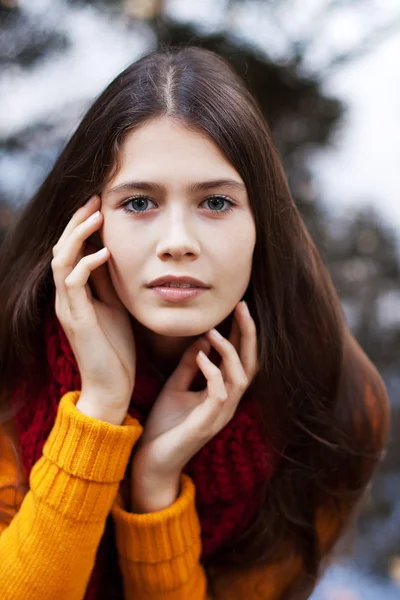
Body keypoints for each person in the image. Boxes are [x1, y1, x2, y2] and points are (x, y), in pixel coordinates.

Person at [0, 45, 390, 600]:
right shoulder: (12, 371)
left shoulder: (332, 404)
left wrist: (157, 485)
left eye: (216, 203)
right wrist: (100, 411)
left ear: (264, 224)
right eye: (138, 203)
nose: (178, 242)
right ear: (87, 224)